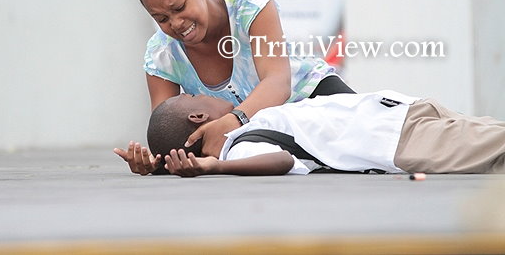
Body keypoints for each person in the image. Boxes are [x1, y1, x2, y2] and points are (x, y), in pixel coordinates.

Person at [114, 0, 355, 175]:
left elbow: (277, 82)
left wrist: (234, 120)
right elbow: (168, 130)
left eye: (180, 7)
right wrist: (158, 162)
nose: (176, 23)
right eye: (161, 19)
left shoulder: (249, 7)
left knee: (376, 141)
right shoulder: (162, 54)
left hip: (314, 97)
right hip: (265, 134)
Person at [146, 93, 505, 177]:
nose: (200, 93)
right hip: (400, 139)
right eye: (192, 95)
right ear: (197, 116)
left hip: (403, 113)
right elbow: (282, 160)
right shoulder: (239, 148)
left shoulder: (246, 126)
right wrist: (216, 167)